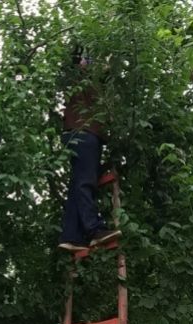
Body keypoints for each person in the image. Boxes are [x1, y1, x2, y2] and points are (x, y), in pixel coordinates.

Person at [58, 50, 121, 252]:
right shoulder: (84, 76)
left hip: (76, 133)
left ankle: (71, 236)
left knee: (78, 184)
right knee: (85, 182)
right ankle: (94, 230)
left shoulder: (81, 81)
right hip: (84, 132)